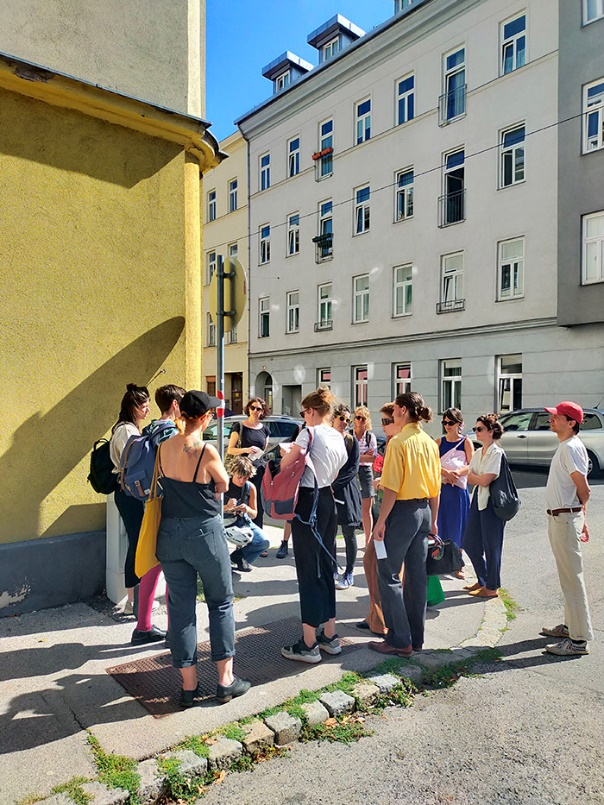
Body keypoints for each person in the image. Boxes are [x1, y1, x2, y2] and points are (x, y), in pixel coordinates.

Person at [155, 390, 251, 707]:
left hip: (169, 533)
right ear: (206, 417)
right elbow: (223, 484)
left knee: (180, 609)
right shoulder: (206, 449)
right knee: (220, 601)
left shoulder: (163, 447)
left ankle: (188, 687)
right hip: (204, 533)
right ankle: (225, 681)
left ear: (181, 414)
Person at [370, 392, 441, 657]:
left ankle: (400, 639)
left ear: (401, 410)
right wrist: (433, 519)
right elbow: (436, 488)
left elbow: (391, 488)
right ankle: (416, 637)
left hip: (402, 512)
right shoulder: (429, 442)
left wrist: (381, 521)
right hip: (423, 510)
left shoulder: (399, 442)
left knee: (387, 571)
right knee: (416, 576)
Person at [280, 387, 347, 663]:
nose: (303, 416)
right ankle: (329, 636)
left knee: (308, 570)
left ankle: (308, 643)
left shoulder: (309, 432)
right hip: (328, 498)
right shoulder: (337, 435)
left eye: (304, 412)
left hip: (309, 500)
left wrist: (287, 453)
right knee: (326, 566)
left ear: (310, 412)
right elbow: (339, 465)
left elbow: (287, 463)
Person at [110, 383, 166, 645]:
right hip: (129, 493)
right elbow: (131, 464)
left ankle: (134, 599)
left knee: (136, 542)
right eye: (144, 406)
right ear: (133, 407)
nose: (147, 410)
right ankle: (132, 600)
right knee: (136, 542)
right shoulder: (125, 430)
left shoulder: (129, 429)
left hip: (131, 492)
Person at [541, 401, 593, 657]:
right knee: (567, 577)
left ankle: (579, 640)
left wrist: (580, 517)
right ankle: (570, 627)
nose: (551, 419)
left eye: (556, 416)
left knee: (573, 579)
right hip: (561, 518)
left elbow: (583, 489)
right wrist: (581, 518)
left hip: (564, 519)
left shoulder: (571, 448)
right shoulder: (567, 446)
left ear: (570, 422)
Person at [357, 402, 400, 634]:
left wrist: (381, 482)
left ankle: (380, 621)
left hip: (392, 514)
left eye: (387, 421)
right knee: (377, 564)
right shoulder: (394, 442)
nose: (384, 426)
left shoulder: (399, 443)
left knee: (375, 564)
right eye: (382, 421)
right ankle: (376, 616)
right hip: (392, 512)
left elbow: (398, 482)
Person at [463, 414, 505, 599]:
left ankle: (492, 586)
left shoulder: (497, 453)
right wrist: (477, 479)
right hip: (478, 500)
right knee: (469, 543)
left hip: (492, 504)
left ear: (491, 431)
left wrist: (477, 479)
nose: (476, 432)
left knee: (492, 546)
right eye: (475, 429)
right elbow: (470, 476)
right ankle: (483, 579)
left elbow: (486, 479)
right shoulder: (479, 453)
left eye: (479, 429)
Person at [436, 407, 473, 580]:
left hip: (458, 490)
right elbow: (433, 464)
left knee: (458, 526)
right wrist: (446, 473)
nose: (447, 426)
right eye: (444, 422)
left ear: (459, 424)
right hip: (443, 489)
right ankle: (442, 561)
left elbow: (472, 465)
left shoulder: (466, 442)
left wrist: (457, 473)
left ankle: (458, 564)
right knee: (441, 523)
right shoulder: (438, 442)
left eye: (450, 422)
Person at [331, 403, 362, 590]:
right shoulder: (327, 438)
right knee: (330, 532)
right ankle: (332, 567)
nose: (344, 422)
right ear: (333, 418)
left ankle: (349, 572)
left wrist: (335, 486)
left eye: (347, 419)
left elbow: (353, 469)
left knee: (349, 532)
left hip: (346, 490)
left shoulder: (351, 441)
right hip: (328, 489)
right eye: (341, 418)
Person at [226, 397, 270, 528]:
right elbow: (230, 449)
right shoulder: (239, 426)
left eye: (259, 409)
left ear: (263, 412)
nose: (255, 411)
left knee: (256, 504)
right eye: (253, 408)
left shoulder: (265, 429)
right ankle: (237, 531)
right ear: (248, 409)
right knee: (237, 500)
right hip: (241, 469)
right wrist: (246, 449)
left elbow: (264, 450)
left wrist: (257, 452)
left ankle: (257, 534)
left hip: (257, 469)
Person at [224, 456, 270, 573]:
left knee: (264, 542)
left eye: (245, 478)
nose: (242, 481)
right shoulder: (222, 484)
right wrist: (226, 508)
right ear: (232, 472)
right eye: (239, 477)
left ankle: (237, 558)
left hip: (242, 521)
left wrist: (247, 509)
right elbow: (211, 510)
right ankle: (224, 563)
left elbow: (254, 514)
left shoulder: (250, 487)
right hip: (224, 522)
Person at [353, 405, 378, 546]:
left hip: (365, 472)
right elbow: (345, 455)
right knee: (350, 504)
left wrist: (356, 456)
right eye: (358, 417)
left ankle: (368, 541)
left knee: (366, 508)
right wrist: (362, 456)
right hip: (352, 471)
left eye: (363, 418)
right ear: (354, 419)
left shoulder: (370, 436)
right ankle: (351, 539)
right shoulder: (349, 435)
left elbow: (373, 458)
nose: (361, 421)